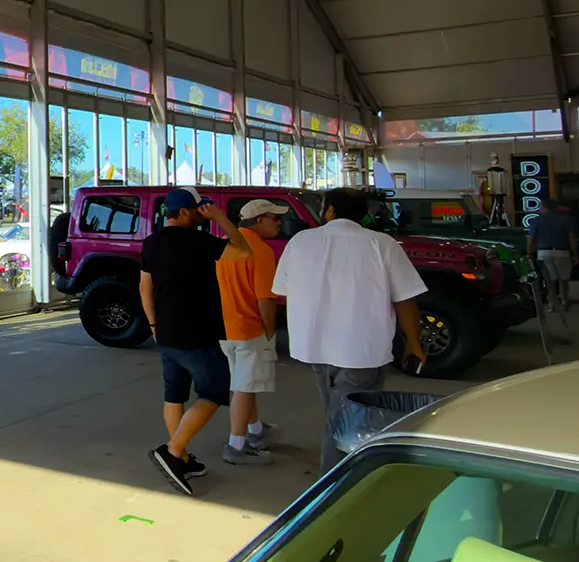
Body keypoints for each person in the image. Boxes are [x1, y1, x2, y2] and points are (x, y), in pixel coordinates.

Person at [269, 187, 429, 472]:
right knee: (345, 419)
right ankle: (332, 484)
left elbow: (282, 289)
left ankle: (341, 473)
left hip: (314, 345)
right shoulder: (382, 244)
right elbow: (405, 298)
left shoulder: (300, 242)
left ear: (330, 210)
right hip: (361, 348)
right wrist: (413, 342)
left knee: (338, 413)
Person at [138, 187, 251, 494]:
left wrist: (152, 324)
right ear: (186, 213)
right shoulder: (201, 242)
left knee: (174, 393)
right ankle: (173, 452)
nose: (202, 216)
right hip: (197, 332)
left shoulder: (151, 242)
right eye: (199, 211)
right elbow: (242, 250)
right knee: (215, 388)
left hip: (165, 332)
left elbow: (144, 287)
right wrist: (220, 218)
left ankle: (183, 457)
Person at [215, 198, 286, 467]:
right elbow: (265, 299)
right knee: (244, 387)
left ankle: (256, 430)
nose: (279, 223)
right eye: (274, 218)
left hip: (225, 326)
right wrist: (269, 330)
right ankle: (236, 444)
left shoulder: (224, 244)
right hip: (250, 328)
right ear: (258, 221)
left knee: (246, 382)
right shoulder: (261, 251)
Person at [528, 199, 579, 311]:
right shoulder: (565, 219)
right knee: (564, 278)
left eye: (540, 207)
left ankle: (552, 303)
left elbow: (531, 239)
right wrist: (575, 254)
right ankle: (564, 300)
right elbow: (572, 238)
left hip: (544, 252)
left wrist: (530, 253)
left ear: (544, 207)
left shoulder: (537, 220)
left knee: (549, 279)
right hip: (562, 251)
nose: (539, 209)